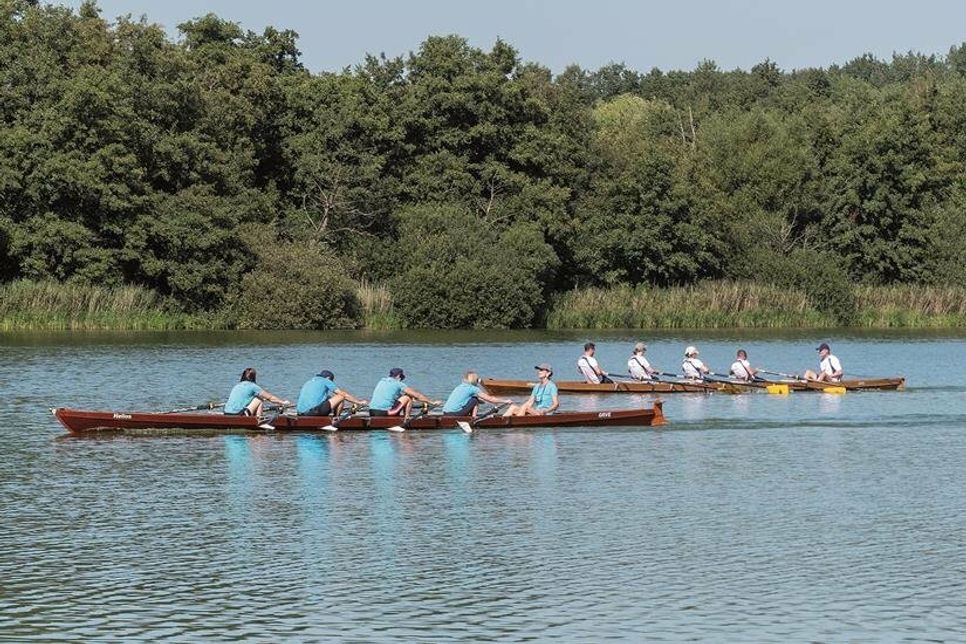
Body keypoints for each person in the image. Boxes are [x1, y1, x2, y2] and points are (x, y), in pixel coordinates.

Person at [369, 367, 441, 417]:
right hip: (383, 413)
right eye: (401, 377)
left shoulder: (382, 381)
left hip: (371, 411)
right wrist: (432, 402)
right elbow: (417, 395)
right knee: (408, 397)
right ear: (399, 376)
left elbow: (393, 396)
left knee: (405, 396)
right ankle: (406, 419)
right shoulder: (398, 383)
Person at [223, 367, 291, 418]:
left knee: (256, 398)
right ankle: (259, 419)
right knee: (259, 399)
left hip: (226, 413)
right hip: (238, 415)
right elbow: (270, 398)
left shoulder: (237, 386)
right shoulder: (253, 386)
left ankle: (255, 416)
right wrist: (283, 402)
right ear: (254, 377)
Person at [296, 369, 368, 417]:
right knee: (341, 396)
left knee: (329, 398)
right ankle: (336, 417)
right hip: (313, 413)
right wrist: (359, 402)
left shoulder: (309, 382)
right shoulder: (326, 380)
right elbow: (343, 394)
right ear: (328, 378)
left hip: (300, 413)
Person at [441, 371, 513, 417]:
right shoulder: (473, 388)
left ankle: (470, 417)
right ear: (475, 380)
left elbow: (466, 400)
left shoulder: (460, 386)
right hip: (455, 414)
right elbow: (491, 399)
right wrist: (505, 401)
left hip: (445, 413)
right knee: (475, 400)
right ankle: (473, 418)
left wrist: (480, 401)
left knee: (475, 399)